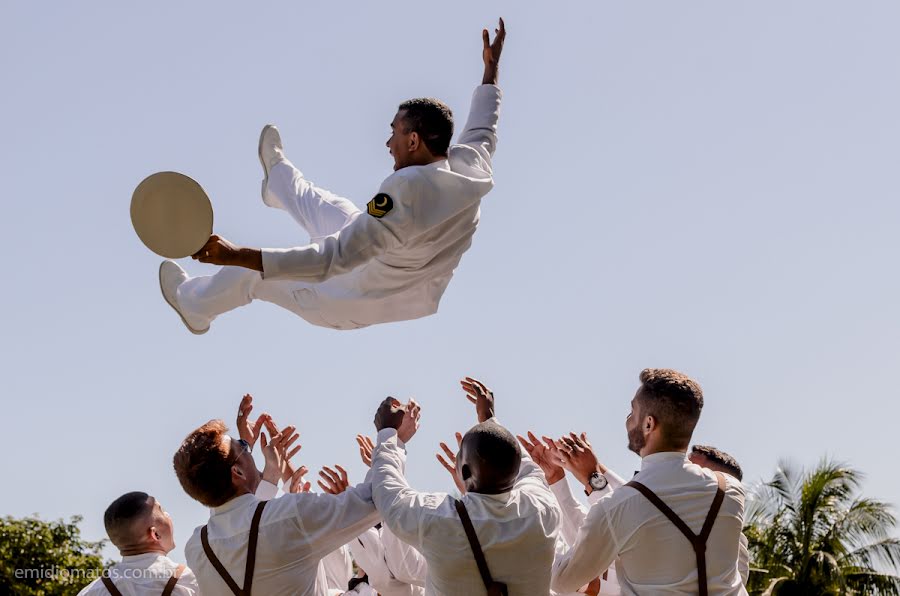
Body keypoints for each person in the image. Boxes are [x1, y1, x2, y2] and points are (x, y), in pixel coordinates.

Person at [159, 19, 506, 334]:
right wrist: (491, 71)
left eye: (394, 133)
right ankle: (279, 184)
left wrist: (235, 254)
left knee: (249, 273)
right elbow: (482, 130)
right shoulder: (469, 170)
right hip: (386, 279)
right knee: (337, 210)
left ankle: (193, 305)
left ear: (414, 140)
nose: (388, 143)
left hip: (341, 298)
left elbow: (332, 258)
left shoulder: (403, 196)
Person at [550, 369, 747, 595]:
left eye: (632, 411)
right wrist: (596, 472)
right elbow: (656, 500)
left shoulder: (616, 507)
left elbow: (562, 581)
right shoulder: (731, 491)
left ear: (648, 424)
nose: (627, 420)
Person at [371, 378, 561, 595]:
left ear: (463, 473)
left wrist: (388, 434)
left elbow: (388, 494)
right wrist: (489, 420)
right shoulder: (543, 510)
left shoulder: (440, 520)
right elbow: (529, 469)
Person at [172, 403, 382, 595]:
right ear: (237, 472)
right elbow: (376, 500)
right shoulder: (292, 515)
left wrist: (268, 473)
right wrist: (389, 440)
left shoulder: (197, 548)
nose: (249, 450)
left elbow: (240, 520)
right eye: (243, 447)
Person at [77, 493, 199, 595]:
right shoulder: (189, 581)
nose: (168, 515)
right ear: (155, 534)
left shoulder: (92, 591)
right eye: (162, 510)